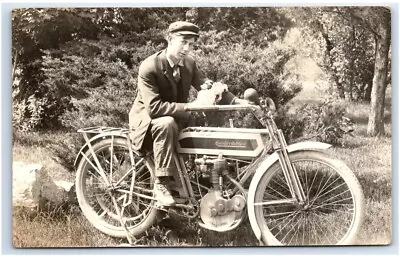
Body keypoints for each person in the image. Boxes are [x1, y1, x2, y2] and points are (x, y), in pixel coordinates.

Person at [129, 21, 251, 206]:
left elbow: (205, 84)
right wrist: (192, 106)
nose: (187, 48)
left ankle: (203, 182)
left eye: (191, 44)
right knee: (166, 123)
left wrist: (236, 101)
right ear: (169, 39)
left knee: (202, 131)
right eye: (183, 42)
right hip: (147, 125)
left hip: (175, 120)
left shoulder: (188, 63)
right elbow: (154, 108)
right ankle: (161, 183)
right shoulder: (150, 67)